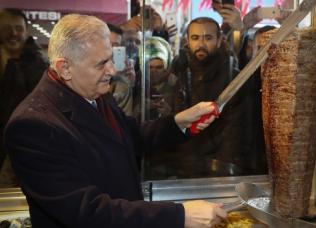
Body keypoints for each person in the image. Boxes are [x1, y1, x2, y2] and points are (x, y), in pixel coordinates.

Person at [3, 14, 226, 228]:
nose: (113, 69)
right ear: (65, 68)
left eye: (111, 57)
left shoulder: (91, 89)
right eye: (101, 64)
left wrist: (179, 122)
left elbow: (129, 135)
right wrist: (180, 215)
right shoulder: (32, 126)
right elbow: (88, 212)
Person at [152, 17, 266, 179]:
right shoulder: (179, 72)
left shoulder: (232, 78)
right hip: (183, 167)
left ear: (219, 40)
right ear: (187, 41)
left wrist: (223, 172)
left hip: (218, 171)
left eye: (208, 38)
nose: (201, 44)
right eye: (195, 38)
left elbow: (236, 133)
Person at [0, 8, 48, 187]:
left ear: (26, 31)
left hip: (27, 144)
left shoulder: (38, 63)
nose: (13, 33)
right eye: (6, 28)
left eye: (18, 28)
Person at [142, 36, 176, 119]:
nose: (154, 72)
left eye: (159, 67)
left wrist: (169, 113)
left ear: (167, 67)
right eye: (150, 67)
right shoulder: (137, 83)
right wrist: (141, 108)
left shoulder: (176, 85)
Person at [107, 23, 137, 117]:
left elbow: (126, 116)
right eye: (107, 44)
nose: (111, 49)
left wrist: (132, 85)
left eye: (116, 45)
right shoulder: (87, 72)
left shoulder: (122, 80)